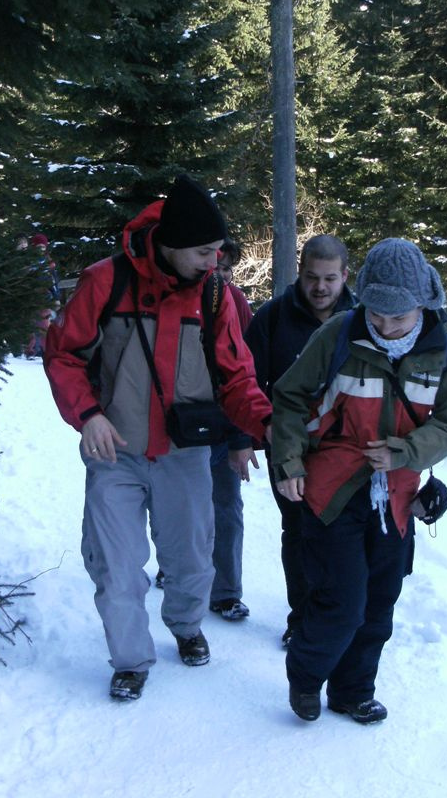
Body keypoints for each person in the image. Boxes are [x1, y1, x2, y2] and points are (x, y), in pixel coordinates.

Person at [43, 175, 272, 702]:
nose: (212, 261)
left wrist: (269, 427)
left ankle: (187, 626)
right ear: (170, 244)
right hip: (113, 453)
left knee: (192, 558)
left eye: (218, 251)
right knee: (116, 567)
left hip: (185, 454)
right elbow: (62, 356)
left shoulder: (217, 295)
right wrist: (89, 415)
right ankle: (129, 660)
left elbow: (238, 378)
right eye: (203, 251)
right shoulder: (105, 282)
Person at [271, 238, 447, 724]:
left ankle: (352, 692)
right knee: (341, 602)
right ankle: (305, 678)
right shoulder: (340, 334)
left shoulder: (443, 348)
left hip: (398, 499)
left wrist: (407, 452)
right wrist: (289, 463)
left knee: (378, 606)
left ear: (422, 306)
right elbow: (289, 398)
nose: (385, 327)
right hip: (332, 492)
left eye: (398, 319)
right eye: (377, 316)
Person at [244, 234, 356, 645]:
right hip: (288, 444)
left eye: (330, 278)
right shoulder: (273, 317)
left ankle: (341, 616)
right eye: (312, 277)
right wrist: (244, 438)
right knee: (298, 531)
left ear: (345, 276)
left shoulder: (364, 318)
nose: (320, 287)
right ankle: (302, 619)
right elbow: (246, 381)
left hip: (347, 449)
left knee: (343, 534)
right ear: (300, 273)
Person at [207, 239, 256, 621]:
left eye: (227, 270)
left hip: (225, 424)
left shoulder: (237, 303)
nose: (221, 276)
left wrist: (243, 436)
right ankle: (177, 568)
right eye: (215, 267)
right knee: (180, 507)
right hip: (179, 426)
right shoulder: (179, 298)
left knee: (226, 506)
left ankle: (225, 591)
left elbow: (247, 371)